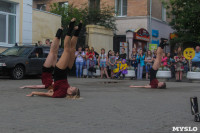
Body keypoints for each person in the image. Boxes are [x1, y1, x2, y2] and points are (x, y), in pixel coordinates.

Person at [26, 18, 81, 98]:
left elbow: (46, 94)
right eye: (73, 87)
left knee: (65, 51)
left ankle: (69, 29)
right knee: (72, 50)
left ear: (70, 93)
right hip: (64, 72)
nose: (71, 86)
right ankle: (77, 31)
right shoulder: (65, 89)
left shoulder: (60, 94)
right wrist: (52, 89)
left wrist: (33, 92)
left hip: (59, 72)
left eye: (72, 88)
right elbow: (52, 90)